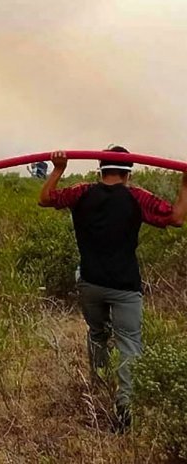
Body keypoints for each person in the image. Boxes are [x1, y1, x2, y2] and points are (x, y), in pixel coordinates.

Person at [39, 146, 187, 429]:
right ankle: (124, 410)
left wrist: (58, 170)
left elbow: (45, 198)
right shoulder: (136, 197)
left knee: (97, 334)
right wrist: (185, 183)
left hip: (90, 283)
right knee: (129, 344)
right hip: (125, 287)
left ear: (100, 169)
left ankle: (99, 386)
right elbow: (177, 218)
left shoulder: (81, 192)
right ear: (128, 172)